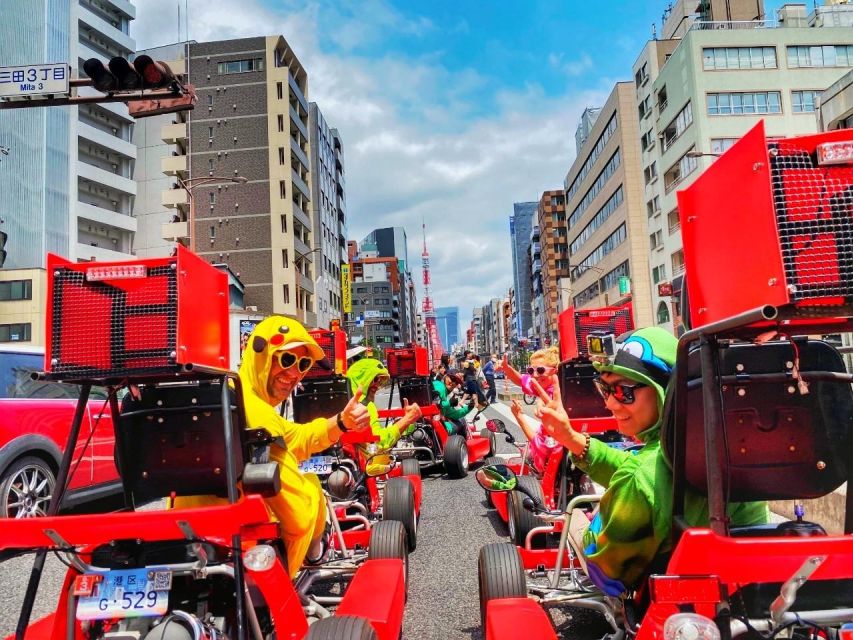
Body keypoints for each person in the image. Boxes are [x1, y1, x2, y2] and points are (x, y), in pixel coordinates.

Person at [532, 327, 769, 596]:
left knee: (575, 518)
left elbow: (607, 572)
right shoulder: (725, 442)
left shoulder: (641, 476)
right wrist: (571, 438)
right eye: (604, 389)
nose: (610, 404)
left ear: (665, 390)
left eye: (623, 392)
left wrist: (589, 527)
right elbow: (647, 469)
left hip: (673, 605)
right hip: (750, 585)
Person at [176, 315, 371, 577]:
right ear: (261, 354)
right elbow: (298, 516)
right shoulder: (257, 413)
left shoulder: (233, 396)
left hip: (187, 533)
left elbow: (294, 438)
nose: (293, 374)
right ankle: (309, 559)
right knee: (311, 488)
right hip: (242, 548)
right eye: (286, 359)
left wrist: (340, 423)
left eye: (302, 364)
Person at [345, 358, 422, 475]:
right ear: (361, 379)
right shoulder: (365, 407)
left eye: (381, 381)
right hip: (362, 467)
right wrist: (407, 420)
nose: (377, 385)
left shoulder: (342, 400)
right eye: (375, 379)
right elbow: (380, 442)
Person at [497, 346, 562, 470]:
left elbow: (541, 445)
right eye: (531, 371)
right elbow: (521, 379)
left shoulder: (554, 398)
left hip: (549, 460)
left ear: (555, 370)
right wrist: (507, 368)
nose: (535, 375)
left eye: (541, 370)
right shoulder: (545, 385)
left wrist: (519, 417)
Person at [432, 363, 474, 436]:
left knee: (462, 420)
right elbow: (435, 403)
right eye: (452, 379)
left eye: (456, 382)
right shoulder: (439, 385)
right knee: (461, 423)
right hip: (436, 427)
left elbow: (454, 414)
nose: (453, 383)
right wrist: (449, 403)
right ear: (445, 376)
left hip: (438, 425)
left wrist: (469, 407)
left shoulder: (446, 394)